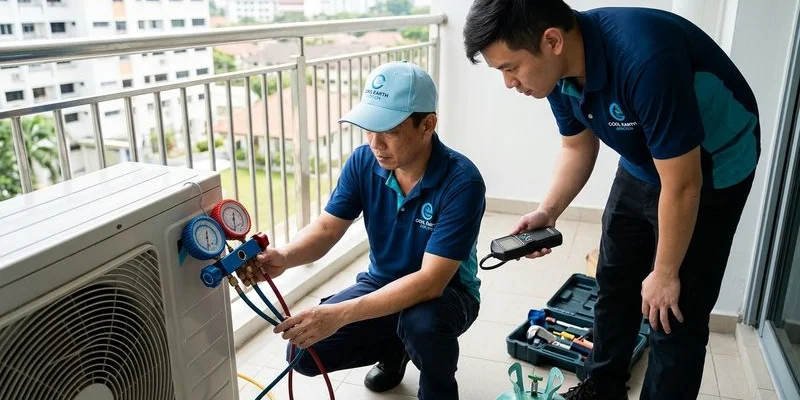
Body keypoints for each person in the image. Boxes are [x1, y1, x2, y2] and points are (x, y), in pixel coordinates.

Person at [462, 1, 760, 400]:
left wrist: (666, 271)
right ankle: (602, 388)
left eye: (510, 68)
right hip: (646, 162)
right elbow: (576, 146)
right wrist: (547, 212)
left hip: (712, 167)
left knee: (672, 312)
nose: (509, 83)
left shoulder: (644, 59)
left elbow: (684, 184)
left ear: (551, 40)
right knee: (614, 280)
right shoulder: (559, 72)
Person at [243, 61, 486, 400]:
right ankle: (394, 350)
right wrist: (284, 255)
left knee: (422, 325)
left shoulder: (462, 182)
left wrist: (339, 314)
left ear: (427, 125)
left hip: (447, 293)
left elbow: (431, 282)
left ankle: (439, 389)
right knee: (302, 354)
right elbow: (327, 228)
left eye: (388, 131)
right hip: (383, 282)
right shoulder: (363, 162)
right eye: (369, 129)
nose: (375, 143)